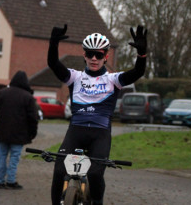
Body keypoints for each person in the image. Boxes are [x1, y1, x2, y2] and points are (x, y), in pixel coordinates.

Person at [47, 24, 147, 205]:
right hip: (76, 132)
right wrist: (53, 45)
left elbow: (138, 72)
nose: (94, 58)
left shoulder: (112, 80)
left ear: (105, 56)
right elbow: (53, 64)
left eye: (99, 55)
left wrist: (142, 55)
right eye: (90, 54)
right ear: (84, 55)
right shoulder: (75, 77)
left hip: (100, 135)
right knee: (59, 171)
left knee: (94, 174)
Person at [0, 70, 38, 189]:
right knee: (14, 157)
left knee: (2, 155)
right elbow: (33, 118)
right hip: (19, 133)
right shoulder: (27, 97)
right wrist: (33, 133)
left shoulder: (2, 93)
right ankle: (11, 180)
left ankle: (0, 180)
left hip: (3, 131)